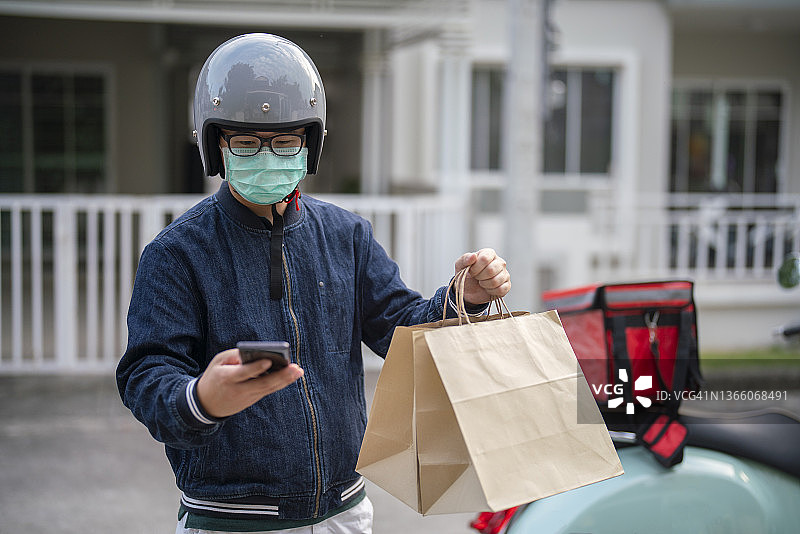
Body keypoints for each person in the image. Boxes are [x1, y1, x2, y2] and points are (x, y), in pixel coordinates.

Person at [116, 33, 511, 534]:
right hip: (233, 520)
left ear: (311, 142)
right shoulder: (177, 254)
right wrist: (201, 397)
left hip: (343, 511)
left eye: (284, 141)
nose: (266, 156)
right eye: (245, 142)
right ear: (216, 145)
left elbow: (400, 329)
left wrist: (465, 299)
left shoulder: (346, 235)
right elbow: (146, 375)